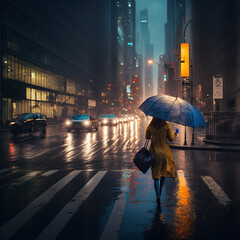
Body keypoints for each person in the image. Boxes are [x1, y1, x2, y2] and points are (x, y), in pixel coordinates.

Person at [145, 117, 179, 206]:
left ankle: (158, 195)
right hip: (165, 153)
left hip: (155, 153)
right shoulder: (166, 126)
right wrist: (176, 133)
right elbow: (171, 139)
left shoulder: (151, 126)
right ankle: (160, 189)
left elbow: (147, 137)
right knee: (163, 173)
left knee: (156, 176)